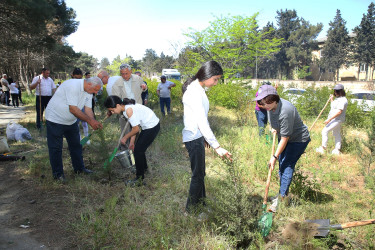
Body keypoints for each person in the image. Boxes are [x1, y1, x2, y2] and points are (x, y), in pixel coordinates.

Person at [182, 60, 232, 214]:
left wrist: (204, 138)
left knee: (200, 174)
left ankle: (201, 204)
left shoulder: (198, 89)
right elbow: (202, 121)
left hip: (197, 137)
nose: (216, 83)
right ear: (207, 75)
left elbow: (200, 119)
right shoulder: (195, 92)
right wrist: (217, 146)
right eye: (215, 79)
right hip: (193, 138)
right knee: (197, 175)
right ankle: (190, 211)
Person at [255, 84, 310, 212]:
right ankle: (282, 193)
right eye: (261, 103)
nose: (263, 106)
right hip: (284, 137)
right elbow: (275, 124)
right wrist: (274, 129)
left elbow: (285, 138)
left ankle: (282, 198)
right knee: (282, 165)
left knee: (286, 165)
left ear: (273, 100)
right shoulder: (270, 108)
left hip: (297, 140)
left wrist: (274, 156)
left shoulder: (286, 111)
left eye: (265, 103)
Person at [45, 77, 103, 181]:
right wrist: (90, 121)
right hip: (55, 119)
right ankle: (58, 175)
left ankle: (79, 169)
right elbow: (73, 109)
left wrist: (93, 121)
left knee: (76, 146)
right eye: (95, 89)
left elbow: (88, 109)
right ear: (89, 84)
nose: (96, 92)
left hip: (71, 122)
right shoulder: (72, 85)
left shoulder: (89, 92)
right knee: (56, 148)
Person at [105, 96, 160, 186]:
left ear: (118, 105)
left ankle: (139, 180)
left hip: (152, 127)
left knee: (138, 151)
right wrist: (131, 143)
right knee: (139, 150)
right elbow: (134, 126)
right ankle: (143, 169)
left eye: (112, 110)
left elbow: (136, 129)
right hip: (148, 127)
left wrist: (125, 137)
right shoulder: (126, 108)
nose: (112, 112)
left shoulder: (128, 110)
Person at [111, 64, 147, 148]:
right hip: (124, 112)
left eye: (126, 73)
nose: (124, 76)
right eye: (122, 74)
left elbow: (144, 87)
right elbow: (116, 99)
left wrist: (144, 87)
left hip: (137, 109)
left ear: (131, 71)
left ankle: (136, 150)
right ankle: (127, 153)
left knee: (136, 131)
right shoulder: (117, 84)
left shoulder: (138, 79)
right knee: (126, 132)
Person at [316, 84, 348, 155]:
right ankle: (337, 149)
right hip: (335, 119)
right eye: (335, 91)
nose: (335, 92)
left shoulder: (343, 100)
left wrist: (329, 119)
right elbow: (333, 106)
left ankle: (323, 148)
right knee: (336, 133)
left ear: (340, 91)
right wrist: (331, 99)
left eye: (336, 91)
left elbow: (339, 111)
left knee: (324, 131)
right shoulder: (338, 99)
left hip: (337, 119)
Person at [72, 68, 90, 144]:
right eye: (76, 78)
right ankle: (79, 140)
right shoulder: (70, 84)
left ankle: (87, 138)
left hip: (82, 105)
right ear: (72, 76)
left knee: (85, 122)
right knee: (76, 124)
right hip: (73, 106)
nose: (78, 80)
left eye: (80, 78)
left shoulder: (83, 83)